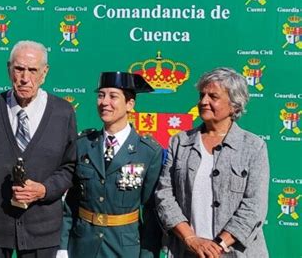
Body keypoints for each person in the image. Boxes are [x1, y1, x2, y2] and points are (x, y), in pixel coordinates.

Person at [0, 40, 77, 258]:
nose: (25, 78)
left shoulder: (63, 112)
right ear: (8, 69)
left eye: (33, 70)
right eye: (19, 69)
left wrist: (45, 189)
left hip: (42, 233)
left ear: (45, 73)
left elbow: (70, 167)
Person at [155, 67, 269, 257]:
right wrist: (191, 239)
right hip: (187, 250)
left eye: (213, 96)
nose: (203, 101)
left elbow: (254, 206)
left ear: (234, 105)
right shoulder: (180, 142)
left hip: (236, 252)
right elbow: (164, 194)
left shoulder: (253, 147)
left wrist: (218, 245)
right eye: (202, 95)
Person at [59, 71, 163, 258]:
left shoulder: (148, 151)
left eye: (113, 96)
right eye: (101, 95)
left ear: (130, 104)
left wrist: (148, 255)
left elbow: (151, 212)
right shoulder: (83, 144)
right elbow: (71, 203)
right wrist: (62, 247)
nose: (104, 102)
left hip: (124, 247)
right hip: (82, 245)